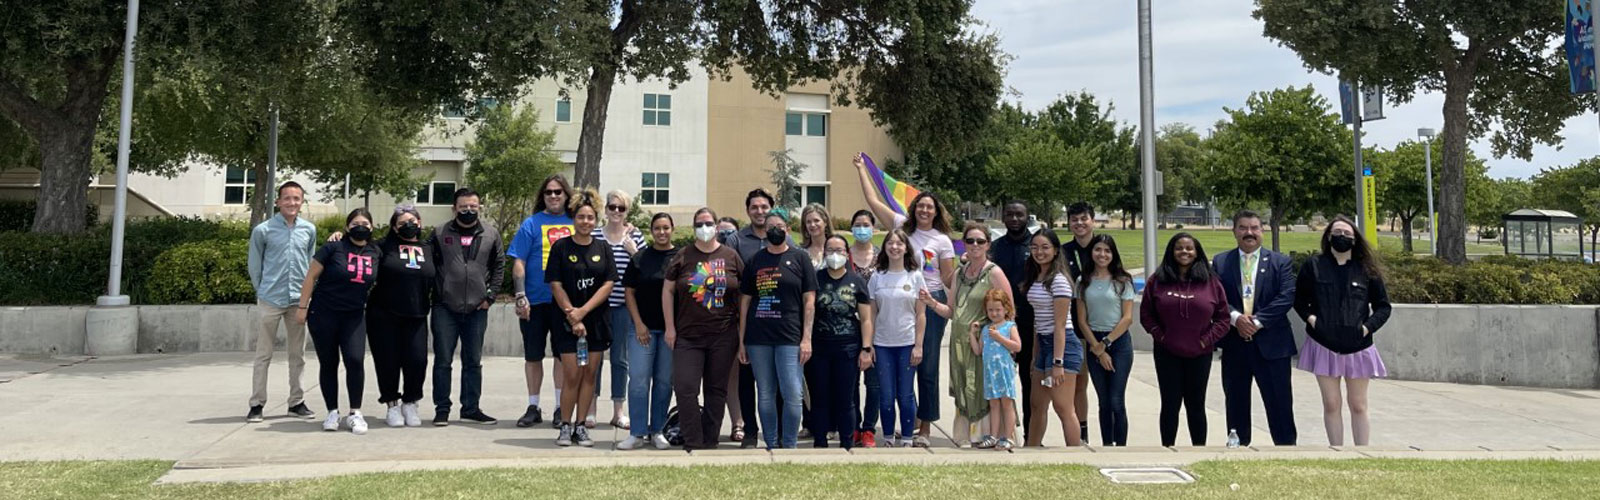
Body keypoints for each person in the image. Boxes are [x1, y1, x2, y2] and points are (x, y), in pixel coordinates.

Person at [854, 153, 955, 446]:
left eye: (930, 207)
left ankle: (923, 428)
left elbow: (949, 279)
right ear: (913, 209)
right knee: (899, 372)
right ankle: (900, 427)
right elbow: (873, 203)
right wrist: (863, 169)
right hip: (896, 298)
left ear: (936, 212)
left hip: (929, 300)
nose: (924, 210)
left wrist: (958, 298)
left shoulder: (942, 240)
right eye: (920, 206)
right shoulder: (900, 226)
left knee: (926, 366)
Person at [1294, 216, 1392, 447]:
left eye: (1347, 234)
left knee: (1358, 404)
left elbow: (1383, 307)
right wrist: (1312, 320)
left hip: (1358, 347)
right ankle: (1336, 450)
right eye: (1337, 232)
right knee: (1331, 404)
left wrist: (1367, 328)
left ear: (1355, 240)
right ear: (1328, 236)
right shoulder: (1314, 265)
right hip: (1323, 344)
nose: (1342, 237)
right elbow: (1299, 300)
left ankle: (1362, 452)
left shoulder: (1367, 270)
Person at [1214, 210, 1299, 447]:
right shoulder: (1221, 262)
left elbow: (1286, 297)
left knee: (1280, 404)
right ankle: (1238, 448)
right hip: (1235, 346)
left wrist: (1256, 322)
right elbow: (1216, 297)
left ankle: (1286, 450)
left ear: (1262, 231)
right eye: (1243, 228)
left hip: (1273, 347)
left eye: (1254, 228)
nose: (1249, 233)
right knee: (1236, 402)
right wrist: (1236, 318)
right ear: (1234, 231)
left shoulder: (1280, 262)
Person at [295, 208, 382, 434]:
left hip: (353, 316)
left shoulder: (376, 251)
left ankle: (355, 413)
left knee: (355, 360)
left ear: (371, 228)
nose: (359, 227)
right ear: (346, 227)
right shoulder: (333, 247)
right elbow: (310, 276)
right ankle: (332, 412)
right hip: (323, 314)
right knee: (329, 363)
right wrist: (302, 307)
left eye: (364, 223)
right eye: (354, 223)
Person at [1139, 233, 1229, 447]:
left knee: (1196, 405)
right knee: (1170, 404)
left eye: (1189, 248)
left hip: (1200, 353)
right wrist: (1162, 337)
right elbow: (1146, 315)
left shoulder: (1211, 282)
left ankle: (1199, 451)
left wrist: (1205, 341)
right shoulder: (1157, 280)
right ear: (1171, 251)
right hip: (1167, 352)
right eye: (1179, 248)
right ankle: (1167, 448)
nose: (1184, 252)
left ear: (1197, 252)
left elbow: (1223, 318)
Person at [666, 208, 745, 450]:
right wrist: (670, 327)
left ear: (716, 226)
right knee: (686, 387)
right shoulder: (683, 255)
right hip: (688, 336)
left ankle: (710, 441)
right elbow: (667, 291)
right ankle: (693, 439)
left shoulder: (731, 257)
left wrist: (742, 335)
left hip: (723, 334)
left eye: (708, 223)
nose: (704, 228)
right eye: (699, 224)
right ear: (693, 227)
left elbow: (744, 295)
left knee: (716, 390)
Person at [930, 222, 1013, 447]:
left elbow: (1009, 309)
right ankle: (965, 435)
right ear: (963, 244)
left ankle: (992, 434)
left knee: (985, 389)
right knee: (965, 388)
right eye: (970, 241)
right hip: (959, 342)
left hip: (985, 344)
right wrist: (931, 303)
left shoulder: (994, 272)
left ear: (988, 244)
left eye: (980, 241)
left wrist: (996, 336)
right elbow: (951, 310)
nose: (975, 245)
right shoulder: (959, 273)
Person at [739, 212, 817, 449]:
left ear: (787, 229)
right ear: (764, 231)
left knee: (792, 392)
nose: (775, 230)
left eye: (779, 226)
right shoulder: (755, 260)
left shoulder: (800, 258)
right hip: (758, 337)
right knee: (765, 392)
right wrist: (741, 341)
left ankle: (790, 443)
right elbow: (744, 303)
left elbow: (809, 301)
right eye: (770, 226)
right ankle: (771, 443)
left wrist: (807, 338)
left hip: (790, 337)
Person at [428, 188, 505, 426]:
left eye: (473, 206)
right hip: (444, 308)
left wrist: (490, 297)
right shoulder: (439, 233)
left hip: (476, 309)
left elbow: (500, 265)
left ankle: (471, 408)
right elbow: (428, 265)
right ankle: (442, 409)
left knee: (473, 361)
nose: (469, 210)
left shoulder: (491, 233)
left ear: (479, 207)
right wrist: (435, 294)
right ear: (454, 208)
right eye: (464, 207)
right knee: (443, 361)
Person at [726, 188, 796, 447]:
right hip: (750, 321)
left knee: (777, 383)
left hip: (781, 324)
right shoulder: (736, 240)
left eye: (764, 207)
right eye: (754, 207)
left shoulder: (788, 241)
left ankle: (777, 432)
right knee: (748, 381)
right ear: (748, 211)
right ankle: (751, 431)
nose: (759, 211)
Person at [546, 190, 616, 448]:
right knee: (572, 375)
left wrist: (584, 312)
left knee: (590, 375)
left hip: (595, 321)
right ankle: (564, 425)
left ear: (596, 220)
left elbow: (608, 284)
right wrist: (572, 316)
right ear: (573, 218)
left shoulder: (603, 248)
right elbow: (555, 284)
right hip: (566, 321)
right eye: (580, 217)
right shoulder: (561, 247)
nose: (585, 222)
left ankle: (580, 426)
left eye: (590, 217)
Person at [246, 181, 319, 423]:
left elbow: (311, 266)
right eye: (287, 198)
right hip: (270, 299)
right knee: (263, 354)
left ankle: (296, 402)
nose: (291, 203)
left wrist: (306, 298)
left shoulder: (309, 229)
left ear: (302, 202)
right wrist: (262, 290)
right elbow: (255, 265)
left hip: (297, 301)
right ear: (278, 201)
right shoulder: (263, 230)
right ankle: (257, 404)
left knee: (297, 354)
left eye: (296, 198)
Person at [507, 175, 574, 428]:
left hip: (565, 303)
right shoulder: (531, 224)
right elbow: (518, 262)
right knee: (533, 356)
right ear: (542, 196)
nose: (554, 196)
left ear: (566, 194)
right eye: (548, 192)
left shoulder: (575, 222)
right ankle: (533, 406)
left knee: (561, 356)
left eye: (558, 191)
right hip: (534, 302)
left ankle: (560, 407)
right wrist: (521, 295)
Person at [367, 205, 435, 428]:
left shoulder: (428, 248)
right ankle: (392, 405)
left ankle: (410, 402)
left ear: (420, 223)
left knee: (417, 361)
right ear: (394, 228)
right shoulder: (382, 246)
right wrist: (338, 236)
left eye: (412, 222)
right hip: (384, 314)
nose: (408, 226)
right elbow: (355, 249)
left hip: (416, 314)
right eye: (403, 223)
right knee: (387, 361)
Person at [618, 213, 680, 450]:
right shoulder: (640, 257)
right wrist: (639, 323)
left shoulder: (680, 257)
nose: (662, 232)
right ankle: (637, 432)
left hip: (669, 332)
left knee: (664, 382)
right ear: (651, 231)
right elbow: (629, 292)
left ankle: (657, 430)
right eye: (657, 228)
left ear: (672, 228)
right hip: (642, 330)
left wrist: (674, 328)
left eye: (666, 227)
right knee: (639, 381)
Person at [808, 234, 875, 449]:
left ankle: (847, 442)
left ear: (847, 254)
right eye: (830, 250)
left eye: (839, 250)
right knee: (819, 398)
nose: (834, 255)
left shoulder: (856, 281)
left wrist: (866, 349)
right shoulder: (816, 279)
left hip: (848, 348)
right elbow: (808, 313)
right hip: (819, 348)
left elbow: (866, 319)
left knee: (846, 398)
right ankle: (820, 442)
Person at [1021, 229, 1082, 447]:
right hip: (1044, 344)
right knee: (1037, 404)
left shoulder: (1059, 281)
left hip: (1063, 347)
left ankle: (1075, 454)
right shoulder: (1037, 277)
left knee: (1063, 406)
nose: (1039, 252)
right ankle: (1032, 449)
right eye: (1035, 247)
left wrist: (1058, 363)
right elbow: (1040, 323)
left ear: (1056, 251)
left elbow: (1059, 325)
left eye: (1045, 247)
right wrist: (1035, 356)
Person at [1073, 234, 1136, 446]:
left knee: (1117, 400)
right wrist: (1097, 349)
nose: (1102, 254)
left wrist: (1106, 344)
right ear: (1091, 252)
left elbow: (1127, 319)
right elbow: (1082, 320)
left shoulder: (1122, 281)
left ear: (1113, 254)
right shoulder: (1083, 281)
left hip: (1118, 342)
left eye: (1107, 251)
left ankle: (1121, 446)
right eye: (1098, 249)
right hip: (1094, 341)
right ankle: (1107, 445)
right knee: (1104, 402)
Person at [867, 229, 926, 447]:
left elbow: (921, 314)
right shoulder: (877, 277)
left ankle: (908, 438)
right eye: (890, 243)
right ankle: (889, 437)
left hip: (907, 344)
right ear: (884, 248)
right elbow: (871, 314)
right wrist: (869, 344)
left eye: (899, 244)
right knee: (886, 395)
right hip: (882, 344)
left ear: (906, 248)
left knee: (906, 395)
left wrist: (918, 345)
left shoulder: (916, 276)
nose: (894, 247)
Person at [595, 190, 646, 430]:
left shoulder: (636, 237)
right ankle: (590, 409)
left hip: (624, 307)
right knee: (594, 359)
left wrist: (634, 252)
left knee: (620, 359)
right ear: (605, 209)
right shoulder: (595, 236)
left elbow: (646, 270)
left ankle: (618, 411)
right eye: (612, 207)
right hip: (597, 307)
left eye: (621, 208)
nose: (616, 212)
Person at [987, 201, 1036, 443]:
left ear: (1027, 217)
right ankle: (1001, 434)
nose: (1014, 218)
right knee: (998, 382)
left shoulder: (1035, 247)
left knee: (1028, 382)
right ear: (1003, 218)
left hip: (1028, 324)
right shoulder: (995, 248)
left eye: (1019, 214)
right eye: (1010, 214)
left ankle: (1028, 434)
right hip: (999, 325)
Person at [1058, 201, 1096, 442]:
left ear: (1092, 220)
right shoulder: (1064, 251)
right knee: (1079, 383)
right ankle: (1082, 433)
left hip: (1102, 325)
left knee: (1108, 389)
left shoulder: (1103, 247)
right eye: (1075, 220)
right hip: (1075, 326)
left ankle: (1113, 435)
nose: (1079, 223)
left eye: (1084, 218)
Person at [969, 289, 1022, 451]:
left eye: (998, 310)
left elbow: (1017, 346)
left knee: (1007, 403)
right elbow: (978, 350)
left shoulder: (1009, 326)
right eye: (991, 310)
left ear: (1006, 309)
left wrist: (1000, 338)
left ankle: (1007, 436)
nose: (994, 313)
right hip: (990, 373)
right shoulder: (986, 329)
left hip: (1004, 371)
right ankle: (993, 436)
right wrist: (972, 334)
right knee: (993, 404)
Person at [846, 209, 881, 448]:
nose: (861, 228)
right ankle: (853, 427)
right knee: (850, 382)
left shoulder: (881, 257)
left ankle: (869, 428)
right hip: (848, 326)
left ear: (873, 229)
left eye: (866, 224)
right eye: (857, 224)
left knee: (873, 382)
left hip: (877, 326)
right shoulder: (843, 255)